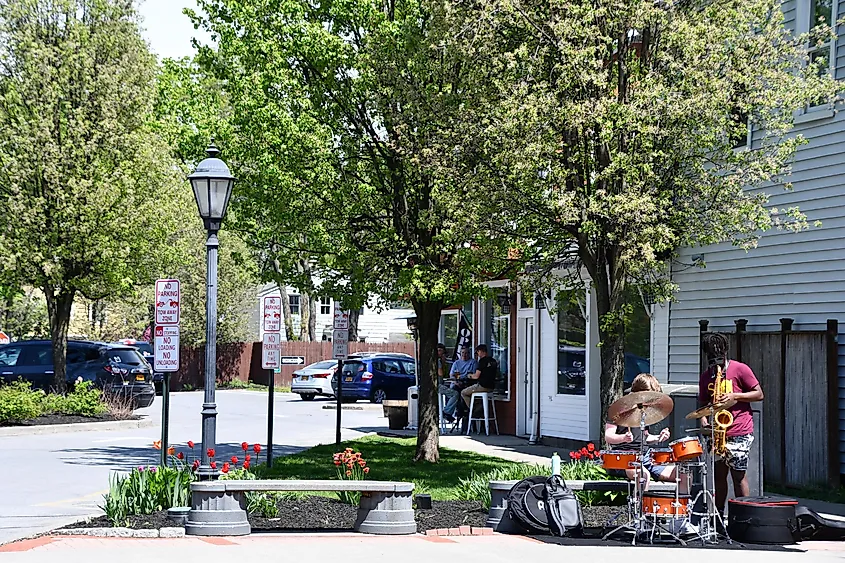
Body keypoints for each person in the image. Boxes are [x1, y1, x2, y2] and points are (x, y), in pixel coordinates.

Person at [699, 332, 764, 515]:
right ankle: (719, 517)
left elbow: (759, 394)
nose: (716, 363)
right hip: (718, 432)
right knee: (719, 477)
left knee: (738, 475)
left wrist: (735, 396)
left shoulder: (740, 369)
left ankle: (743, 516)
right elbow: (703, 403)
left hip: (740, 430)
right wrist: (704, 420)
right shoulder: (706, 376)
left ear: (725, 352)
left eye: (719, 357)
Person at [604, 374, 677, 489]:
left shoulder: (643, 410)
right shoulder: (619, 408)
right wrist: (623, 438)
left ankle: (681, 507)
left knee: (681, 473)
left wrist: (658, 437)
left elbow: (644, 437)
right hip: (625, 459)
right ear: (639, 394)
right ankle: (640, 506)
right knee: (643, 475)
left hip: (646, 457)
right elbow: (608, 436)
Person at [440, 347, 476, 422]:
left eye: (466, 353)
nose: (464, 355)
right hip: (457, 382)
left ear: (469, 354)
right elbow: (452, 375)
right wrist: (456, 382)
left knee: (460, 394)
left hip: (468, 383)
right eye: (462, 353)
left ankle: (458, 413)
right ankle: (451, 413)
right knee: (453, 392)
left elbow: (474, 375)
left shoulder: (473, 362)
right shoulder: (456, 363)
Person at [460, 344, 497, 413]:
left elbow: (476, 376)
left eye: (477, 352)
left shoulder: (482, 361)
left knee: (463, 392)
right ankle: (479, 407)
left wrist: (469, 375)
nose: (477, 354)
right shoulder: (493, 361)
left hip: (483, 386)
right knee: (475, 395)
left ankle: (474, 410)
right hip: (491, 387)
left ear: (481, 351)